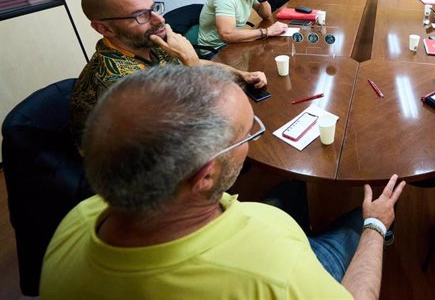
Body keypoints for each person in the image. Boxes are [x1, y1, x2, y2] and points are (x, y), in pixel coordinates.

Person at [42, 65, 406, 300]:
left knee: (288, 188)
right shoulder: (271, 265)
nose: (253, 141)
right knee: (360, 222)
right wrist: (376, 223)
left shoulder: (75, 222)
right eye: (247, 134)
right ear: (205, 176)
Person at [69, 0, 267, 142]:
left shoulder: (147, 43)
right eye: (140, 16)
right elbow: (184, 122)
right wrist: (190, 61)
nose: (159, 20)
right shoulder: (116, 80)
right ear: (105, 29)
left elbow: (198, 64)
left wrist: (242, 75)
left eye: (154, 8)